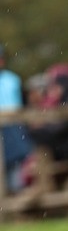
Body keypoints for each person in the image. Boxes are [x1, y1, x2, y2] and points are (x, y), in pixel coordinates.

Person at [0, 44, 33, 192]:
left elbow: (23, 105)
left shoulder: (12, 80)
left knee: (16, 163)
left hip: (13, 127)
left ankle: (16, 198)